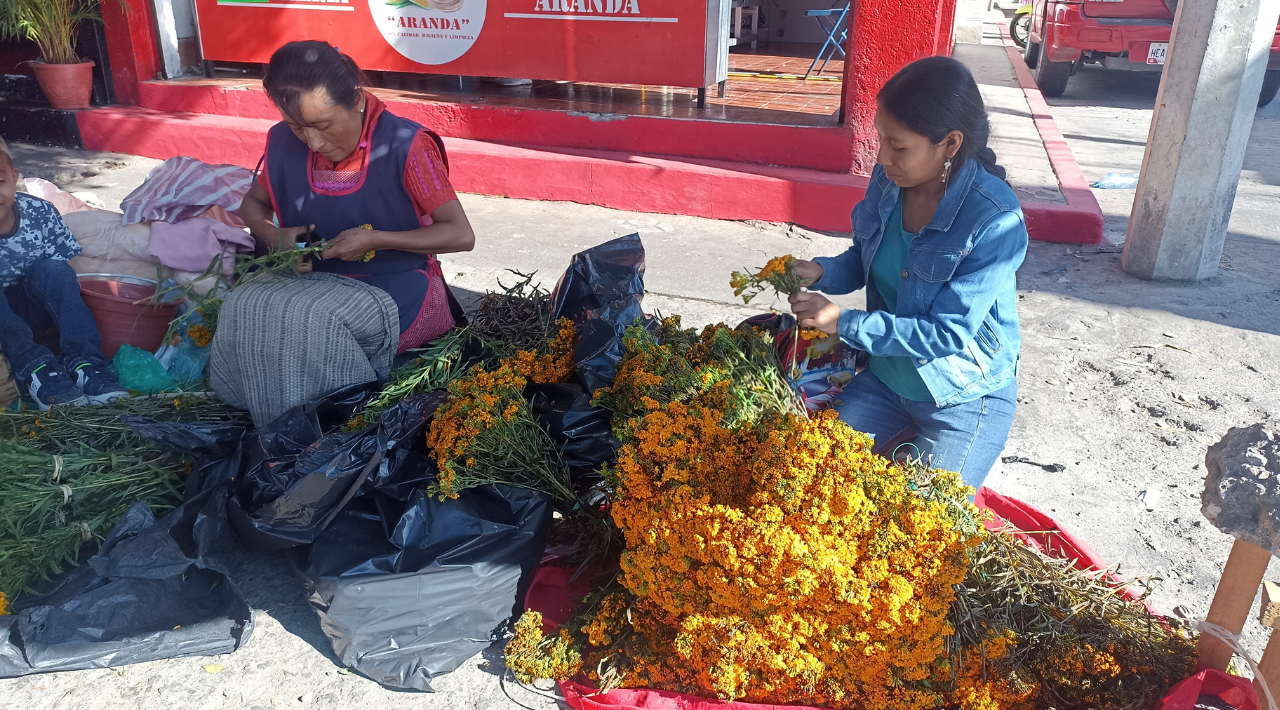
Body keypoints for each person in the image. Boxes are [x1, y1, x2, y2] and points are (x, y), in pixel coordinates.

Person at [788, 56, 1028, 490]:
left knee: (922, 526)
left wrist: (842, 322)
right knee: (809, 479)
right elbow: (865, 261)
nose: (882, 157)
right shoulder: (888, 181)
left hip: (961, 395)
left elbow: (947, 334)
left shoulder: (995, 220)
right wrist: (820, 272)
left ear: (950, 144)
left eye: (898, 146)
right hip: (885, 382)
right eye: (881, 138)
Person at [238, 40, 475, 355]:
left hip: (393, 291)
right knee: (244, 315)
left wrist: (377, 240)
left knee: (314, 342)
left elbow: (460, 234)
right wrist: (272, 235)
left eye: (322, 126)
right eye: (297, 128)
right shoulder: (281, 142)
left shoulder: (405, 146)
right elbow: (253, 205)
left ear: (358, 100)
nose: (313, 142)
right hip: (309, 285)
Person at [0, 139, 128, 411]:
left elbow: (63, 280)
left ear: (13, 177)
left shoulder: (40, 213)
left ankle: (85, 363)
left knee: (54, 271)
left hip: (31, 311)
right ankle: (35, 368)